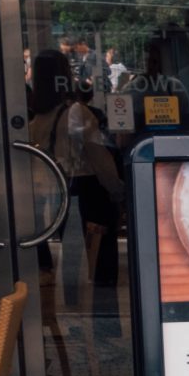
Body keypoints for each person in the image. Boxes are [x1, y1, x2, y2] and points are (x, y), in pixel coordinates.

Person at [28, 50, 122, 293]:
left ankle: (70, 295)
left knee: (72, 251)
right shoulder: (76, 112)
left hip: (53, 188)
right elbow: (98, 156)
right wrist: (115, 189)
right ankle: (102, 311)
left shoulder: (34, 117)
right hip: (84, 187)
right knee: (99, 258)